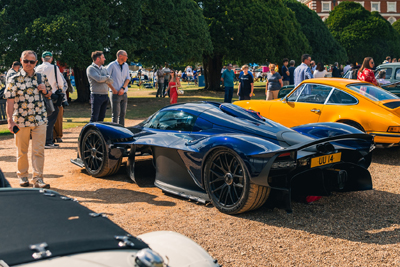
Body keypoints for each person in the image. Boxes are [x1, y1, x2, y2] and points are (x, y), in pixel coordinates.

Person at [4, 50, 52, 188]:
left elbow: (50, 94)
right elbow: (10, 100)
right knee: (21, 151)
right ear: (21, 61)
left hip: (40, 119)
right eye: (26, 61)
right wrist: (10, 120)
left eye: (32, 61)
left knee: (39, 151)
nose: (29, 64)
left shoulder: (41, 77)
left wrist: (45, 90)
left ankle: (38, 179)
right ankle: (23, 176)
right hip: (20, 120)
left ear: (36, 63)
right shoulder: (14, 79)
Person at [35, 51, 64, 148]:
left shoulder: (37, 68)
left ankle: (42, 140)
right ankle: (48, 141)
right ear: (51, 59)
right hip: (52, 95)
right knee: (51, 119)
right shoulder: (54, 68)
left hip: (39, 96)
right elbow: (60, 83)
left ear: (42, 58)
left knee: (42, 119)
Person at [87, 51, 115, 123]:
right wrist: (106, 77)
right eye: (103, 57)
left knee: (101, 118)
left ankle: (98, 133)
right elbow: (98, 79)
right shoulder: (91, 68)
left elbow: (111, 80)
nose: (104, 59)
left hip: (105, 96)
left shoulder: (104, 69)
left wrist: (104, 78)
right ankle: (90, 133)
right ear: (98, 59)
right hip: (96, 95)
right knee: (94, 117)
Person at [106, 50, 130, 126]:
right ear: (120, 56)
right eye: (125, 55)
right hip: (115, 93)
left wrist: (123, 88)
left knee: (123, 114)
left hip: (124, 93)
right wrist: (113, 89)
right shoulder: (111, 65)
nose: (127, 57)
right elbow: (106, 79)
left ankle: (122, 130)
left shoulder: (126, 65)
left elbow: (128, 78)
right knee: (115, 115)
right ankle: (114, 131)